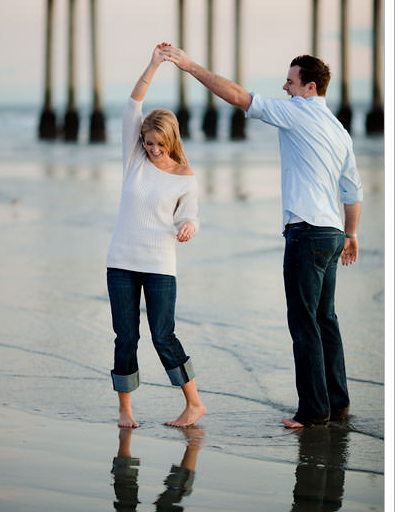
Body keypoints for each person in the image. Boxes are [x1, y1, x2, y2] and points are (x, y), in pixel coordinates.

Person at [161, 45, 362, 429]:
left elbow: (237, 96)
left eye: (290, 81)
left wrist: (189, 67)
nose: (284, 87)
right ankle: (337, 403)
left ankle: (313, 411)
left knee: (304, 324)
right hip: (332, 231)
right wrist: (351, 233)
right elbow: (353, 190)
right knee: (326, 321)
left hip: (305, 232)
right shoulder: (339, 130)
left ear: (310, 88)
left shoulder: (296, 112)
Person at [106, 43, 206, 429]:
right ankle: (126, 411)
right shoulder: (133, 159)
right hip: (120, 262)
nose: (152, 150)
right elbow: (133, 103)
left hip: (160, 264)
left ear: (172, 141)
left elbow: (191, 215)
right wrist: (153, 64)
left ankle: (194, 403)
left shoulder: (184, 176)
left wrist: (189, 227)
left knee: (163, 336)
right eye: (148, 144)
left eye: (159, 145)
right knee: (125, 337)